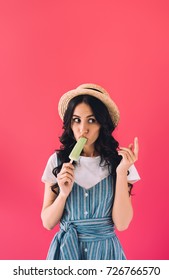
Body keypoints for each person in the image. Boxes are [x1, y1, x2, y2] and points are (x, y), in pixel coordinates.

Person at [41, 83, 140, 260]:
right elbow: (47, 223)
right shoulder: (57, 162)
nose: (83, 129)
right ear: (69, 123)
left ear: (103, 124)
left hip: (106, 254)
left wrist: (122, 171)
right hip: (66, 254)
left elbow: (122, 223)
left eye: (92, 120)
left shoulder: (121, 163)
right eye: (76, 120)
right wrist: (63, 194)